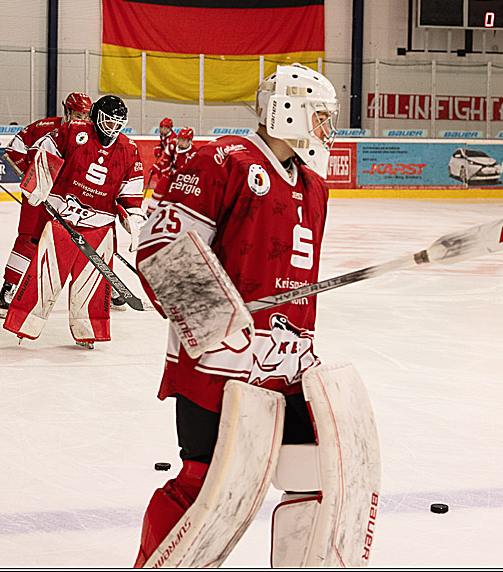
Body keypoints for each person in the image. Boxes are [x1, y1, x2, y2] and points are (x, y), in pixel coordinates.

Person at [132, 64, 378, 568]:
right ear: (289, 111)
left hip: (287, 364)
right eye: (319, 116)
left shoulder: (314, 187)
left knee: (314, 471)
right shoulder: (221, 161)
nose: (324, 129)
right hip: (217, 367)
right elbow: (162, 247)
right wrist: (218, 320)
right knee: (208, 484)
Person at [3, 95, 145, 349]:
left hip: (100, 227)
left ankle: (89, 330)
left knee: (93, 284)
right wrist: (38, 183)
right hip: (62, 219)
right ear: (95, 118)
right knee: (44, 276)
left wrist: (133, 218)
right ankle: (24, 324)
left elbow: (131, 189)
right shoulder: (73, 132)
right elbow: (43, 150)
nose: (112, 129)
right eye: (108, 122)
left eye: (117, 124)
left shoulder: (129, 149)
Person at [0, 92, 92, 317]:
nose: (82, 119)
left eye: (86, 115)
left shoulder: (91, 135)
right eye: (78, 114)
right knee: (28, 240)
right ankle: (8, 291)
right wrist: (33, 181)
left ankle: (97, 292)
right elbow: (14, 149)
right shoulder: (44, 127)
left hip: (68, 200)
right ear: (67, 111)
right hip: (37, 198)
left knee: (81, 241)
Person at [143, 126, 195, 215]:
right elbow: (166, 159)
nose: (180, 142)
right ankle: (150, 213)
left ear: (189, 141)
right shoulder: (173, 144)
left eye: (183, 140)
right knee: (158, 191)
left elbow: (189, 172)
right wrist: (159, 167)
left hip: (182, 179)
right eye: (179, 139)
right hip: (170, 173)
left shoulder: (193, 154)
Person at [147, 117, 177, 193]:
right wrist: (159, 148)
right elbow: (163, 145)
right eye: (160, 127)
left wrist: (157, 166)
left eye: (163, 128)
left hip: (174, 163)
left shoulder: (172, 140)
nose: (160, 130)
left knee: (165, 174)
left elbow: (168, 158)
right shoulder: (164, 135)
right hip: (170, 161)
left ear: (169, 129)